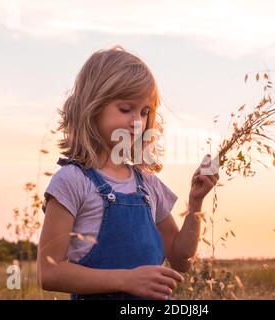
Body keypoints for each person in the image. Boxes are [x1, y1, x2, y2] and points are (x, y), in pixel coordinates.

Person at [37, 46, 219, 300]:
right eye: (126, 109)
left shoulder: (148, 185)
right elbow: (49, 272)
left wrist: (196, 201)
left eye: (145, 112)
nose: (137, 122)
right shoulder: (71, 181)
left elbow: (181, 260)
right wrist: (127, 280)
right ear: (92, 107)